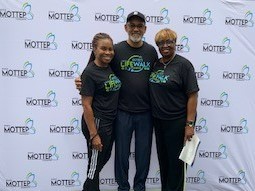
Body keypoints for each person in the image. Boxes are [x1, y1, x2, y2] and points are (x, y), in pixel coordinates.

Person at [75, 11, 158, 191]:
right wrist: (82, 79)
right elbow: (98, 66)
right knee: (121, 155)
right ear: (126, 27)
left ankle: (140, 187)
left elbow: (159, 77)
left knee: (143, 154)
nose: (135, 28)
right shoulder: (117, 50)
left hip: (145, 112)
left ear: (145, 29)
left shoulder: (151, 52)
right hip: (121, 112)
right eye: (132, 25)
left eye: (139, 25)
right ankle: (123, 188)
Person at [149, 28, 199, 191]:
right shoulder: (156, 64)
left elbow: (192, 95)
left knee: (177, 165)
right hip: (159, 121)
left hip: (177, 122)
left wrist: (189, 124)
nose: (165, 46)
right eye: (161, 43)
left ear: (175, 43)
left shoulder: (184, 65)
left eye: (169, 41)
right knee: (164, 162)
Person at [80, 32, 121, 191]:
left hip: (109, 122)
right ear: (94, 49)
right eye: (104, 48)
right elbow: (86, 105)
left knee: (101, 160)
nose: (108, 52)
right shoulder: (90, 72)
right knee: (94, 166)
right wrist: (94, 134)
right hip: (97, 123)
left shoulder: (109, 67)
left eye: (111, 49)